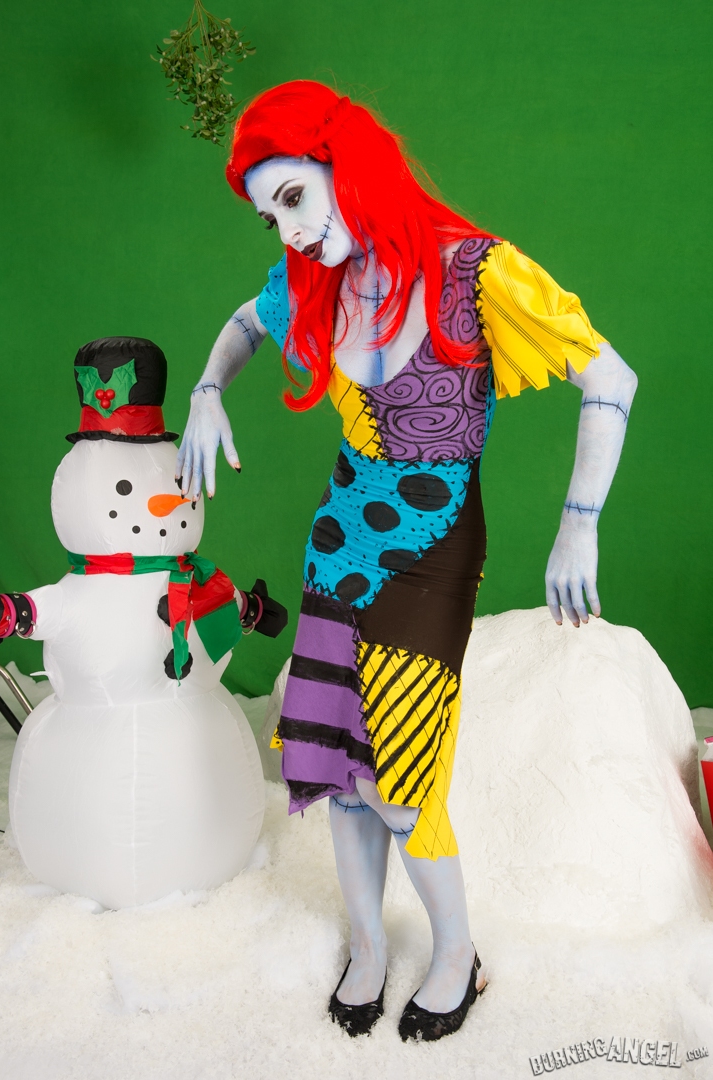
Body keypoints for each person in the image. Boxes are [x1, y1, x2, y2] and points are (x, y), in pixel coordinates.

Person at [176, 80, 637, 1042]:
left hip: (432, 551)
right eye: (269, 216)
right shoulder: (313, 280)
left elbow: (609, 377)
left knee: (398, 776)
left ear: (346, 165)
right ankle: (367, 945)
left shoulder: (475, 270)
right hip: (335, 545)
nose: (287, 231)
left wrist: (578, 524)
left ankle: (457, 952)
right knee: (343, 771)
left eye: (293, 197)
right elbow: (247, 321)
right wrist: (205, 391)